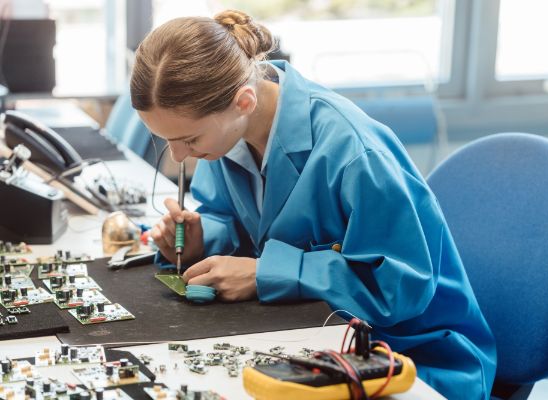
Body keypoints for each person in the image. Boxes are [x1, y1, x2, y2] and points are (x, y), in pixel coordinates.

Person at [130, 10, 496, 400]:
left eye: (188, 139)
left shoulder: (354, 151)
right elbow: (235, 220)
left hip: (412, 359)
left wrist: (263, 274)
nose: (179, 155)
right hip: (314, 334)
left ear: (243, 101)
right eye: (164, 139)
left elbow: (399, 288)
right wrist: (205, 238)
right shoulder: (223, 136)